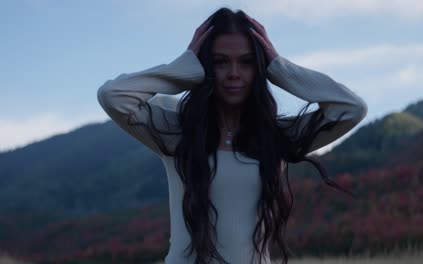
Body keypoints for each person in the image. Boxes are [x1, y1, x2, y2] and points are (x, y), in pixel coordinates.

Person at [97, 7, 367, 264]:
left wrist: (278, 68)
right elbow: (113, 96)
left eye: (247, 62)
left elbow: (351, 108)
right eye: (220, 62)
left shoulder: (275, 137)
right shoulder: (176, 131)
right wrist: (184, 68)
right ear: (204, 66)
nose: (234, 73)